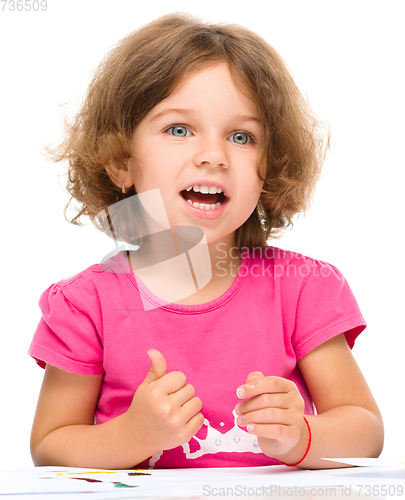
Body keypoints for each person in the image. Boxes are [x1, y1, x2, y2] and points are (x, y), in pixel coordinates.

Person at [28, 12, 383, 470]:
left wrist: (302, 435)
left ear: (269, 170)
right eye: (179, 129)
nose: (214, 155)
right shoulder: (84, 304)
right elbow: (50, 445)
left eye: (241, 136)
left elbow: (366, 430)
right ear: (120, 162)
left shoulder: (304, 289)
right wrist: (132, 434)